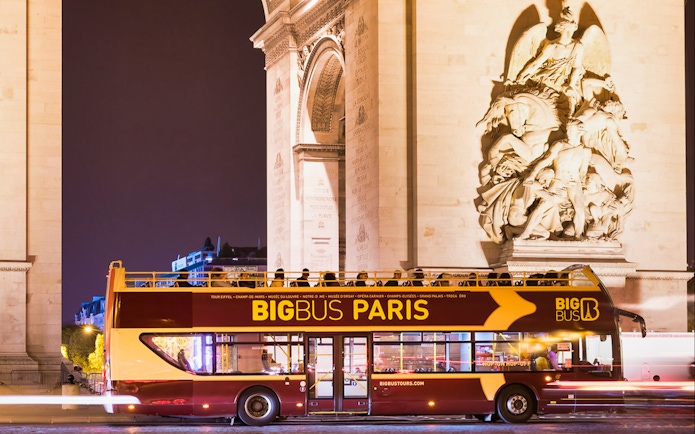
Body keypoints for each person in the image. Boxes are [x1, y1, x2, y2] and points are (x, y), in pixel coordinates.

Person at [523, 119, 592, 239]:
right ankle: (525, 233)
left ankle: (578, 235)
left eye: (571, 129)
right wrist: (532, 175)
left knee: (579, 208)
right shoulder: (559, 145)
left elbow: (583, 171)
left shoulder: (586, 151)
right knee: (542, 206)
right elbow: (545, 161)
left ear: (579, 131)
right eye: (568, 129)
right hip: (559, 179)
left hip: (573, 182)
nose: (568, 132)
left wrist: (581, 182)